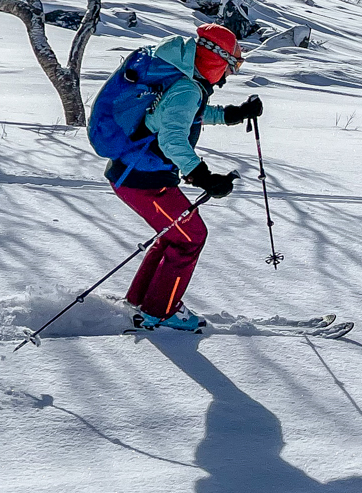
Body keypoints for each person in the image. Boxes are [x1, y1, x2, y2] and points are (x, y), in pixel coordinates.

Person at [102, 24, 263, 332]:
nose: (229, 75)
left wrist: (236, 113)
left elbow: (192, 114)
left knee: (175, 234)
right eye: (231, 66)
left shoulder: (186, 83)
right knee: (191, 237)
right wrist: (203, 177)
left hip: (136, 172)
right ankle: (161, 311)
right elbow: (173, 138)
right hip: (143, 179)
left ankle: (141, 301)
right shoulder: (187, 88)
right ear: (215, 60)